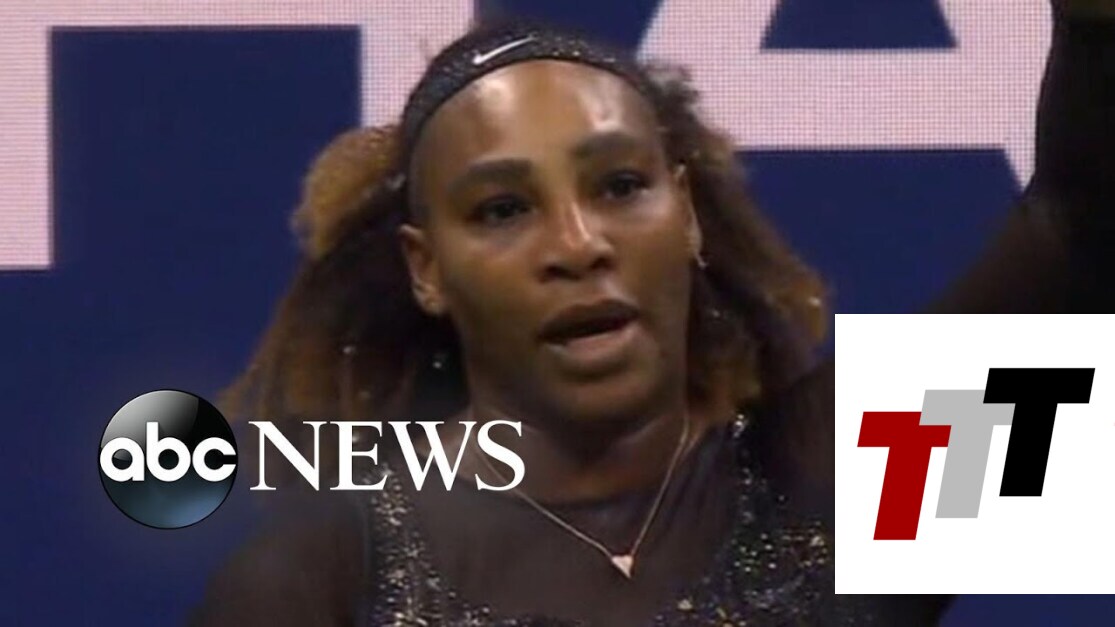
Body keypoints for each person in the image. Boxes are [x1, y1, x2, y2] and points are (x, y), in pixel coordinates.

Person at [191, 2, 1114, 625]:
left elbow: (1081, 238)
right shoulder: (316, 587)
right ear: (426, 269)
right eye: (503, 209)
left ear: (687, 216)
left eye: (620, 186)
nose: (577, 243)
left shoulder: (849, 489)